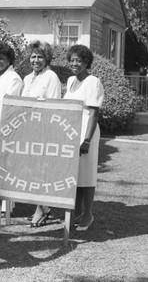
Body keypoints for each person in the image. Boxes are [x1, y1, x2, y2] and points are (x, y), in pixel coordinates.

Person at [21, 40, 62, 227]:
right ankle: (40, 206)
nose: (36, 60)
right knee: (33, 170)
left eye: (40, 57)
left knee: (43, 169)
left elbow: (54, 105)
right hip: (29, 129)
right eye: (33, 56)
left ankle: (43, 208)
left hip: (44, 129)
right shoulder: (27, 78)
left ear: (47, 59)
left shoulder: (51, 77)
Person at [63, 45, 104, 232]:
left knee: (86, 176)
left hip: (87, 132)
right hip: (72, 131)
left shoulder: (93, 81)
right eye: (72, 60)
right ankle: (76, 212)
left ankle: (88, 214)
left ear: (87, 63)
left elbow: (94, 112)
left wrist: (86, 140)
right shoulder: (71, 80)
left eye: (78, 60)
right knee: (74, 175)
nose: (74, 63)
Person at [0, 42, 23, 218]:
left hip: (5, 131)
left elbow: (9, 108)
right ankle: (2, 205)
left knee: (4, 168)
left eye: (2, 58)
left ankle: (5, 207)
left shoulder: (13, 78)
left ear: (9, 60)